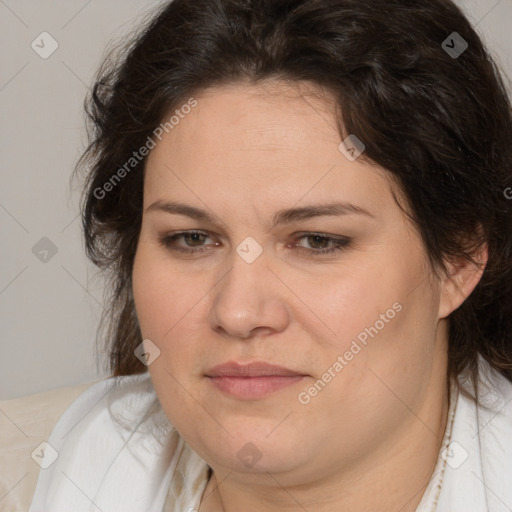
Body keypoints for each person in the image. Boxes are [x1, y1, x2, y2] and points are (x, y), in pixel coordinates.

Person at [28, 0, 512, 511]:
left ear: (458, 260)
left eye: (317, 241)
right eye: (192, 238)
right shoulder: (48, 466)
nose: (237, 312)